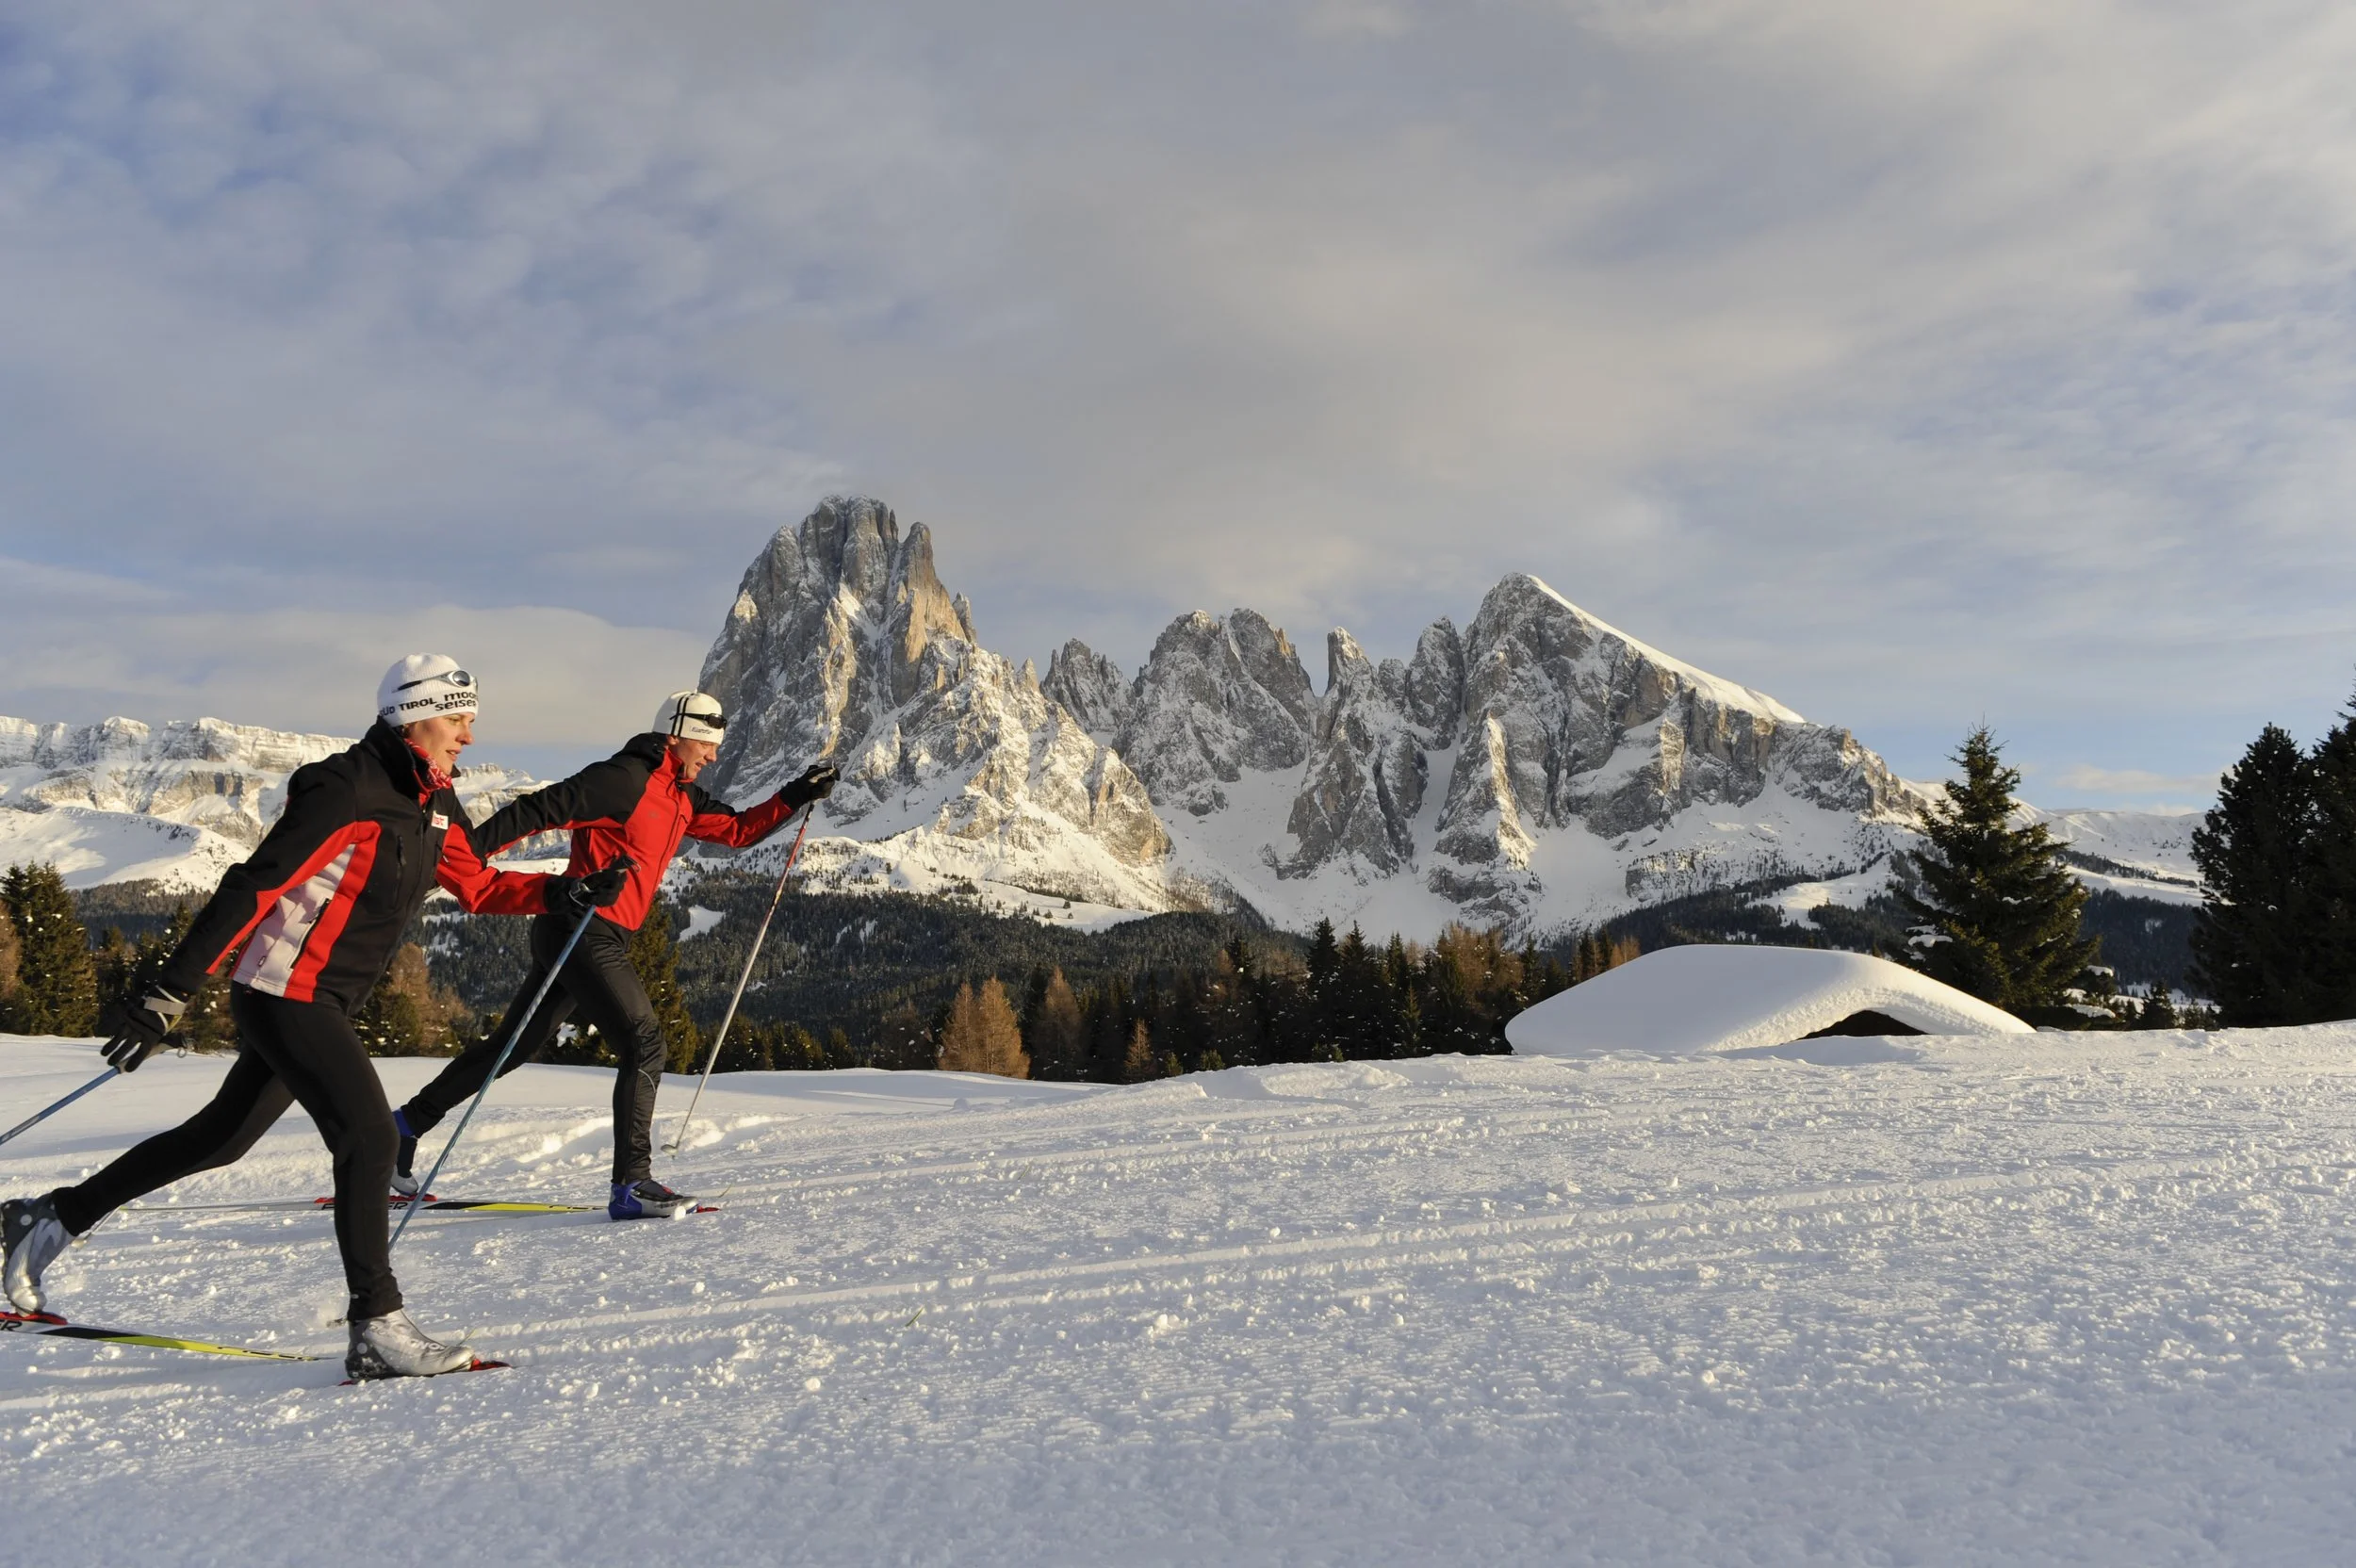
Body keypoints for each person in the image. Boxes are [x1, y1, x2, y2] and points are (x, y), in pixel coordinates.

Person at [0, 656, 621, 1380]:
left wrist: (564, 894)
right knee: (370, 1137)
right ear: (414, 717)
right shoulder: (347, 787)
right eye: (458, 719)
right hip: (286, 993)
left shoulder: (432, 799)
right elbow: (254, 885)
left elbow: (476, 884)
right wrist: (171, 990)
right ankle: (378, 1326)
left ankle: (47, 1219)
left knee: (220, 1138)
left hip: (322, 999)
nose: (468, 736)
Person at [391, 690, 837, 1220]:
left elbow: (738, 831)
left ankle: (401, 1129)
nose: (713, 755)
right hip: (582, 926)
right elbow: (539, 808)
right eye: (706, 744)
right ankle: (632, 1185)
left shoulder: (682, 795)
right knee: (644, 1042)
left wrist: (796, 794)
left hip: (594, 934)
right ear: (677, 735)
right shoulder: (623, 779)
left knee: (510, 1048)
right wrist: (463, 857)